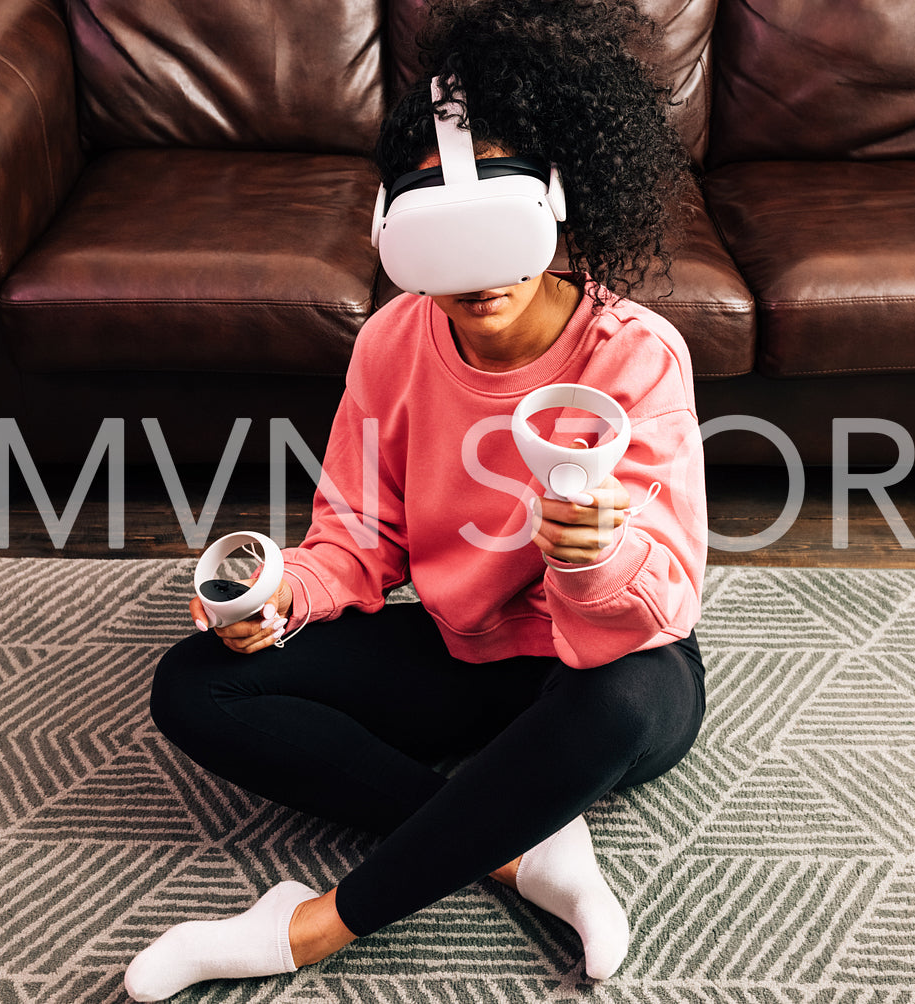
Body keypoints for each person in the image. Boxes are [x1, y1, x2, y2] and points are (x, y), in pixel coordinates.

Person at [125, 1, 708, 998]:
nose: (475, 267)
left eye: (496, 215)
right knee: (195, 685)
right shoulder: (392, 344)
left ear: (557, 198)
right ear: (392, 228)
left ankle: (304, 926)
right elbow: (354, 540)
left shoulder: (633, 355)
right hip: (462, 649)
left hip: (603, 669)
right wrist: (285, 596)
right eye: (438, 220)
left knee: (620, 697)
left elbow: (662, 603)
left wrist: (594, 551)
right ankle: (521, 847)